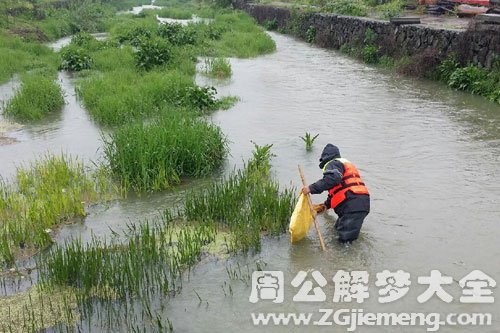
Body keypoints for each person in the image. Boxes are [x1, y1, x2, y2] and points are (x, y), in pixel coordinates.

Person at [302, 144, 370, 243]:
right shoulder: (342, 164)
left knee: (344, 242)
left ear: (325, 158)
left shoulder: (332, 163)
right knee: (337, 230)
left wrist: (310, 188)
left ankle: (344, 258)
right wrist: (325, 205)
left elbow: (332, 179)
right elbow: (339, 190)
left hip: (352, 205)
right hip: (357, 203)